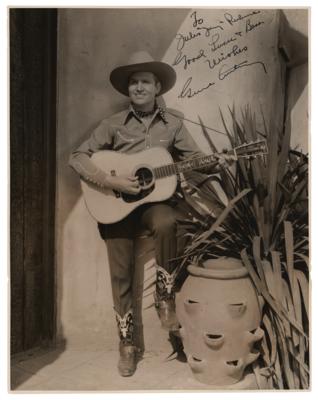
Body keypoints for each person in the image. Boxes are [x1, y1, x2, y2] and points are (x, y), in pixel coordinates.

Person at [69, 51, 225, 377]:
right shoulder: (111, 124)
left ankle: (165, 295)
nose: (139, 87)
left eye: (145, 82)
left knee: (169, 220)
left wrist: (217, 162)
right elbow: (77, 157)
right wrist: (111, 179)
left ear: (157, 87)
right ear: (129, 90)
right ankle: (127, 343)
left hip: (153, 205)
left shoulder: (174, 125)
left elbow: (194, 159)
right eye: (134, 82)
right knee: (120, 273)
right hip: (114, 208)